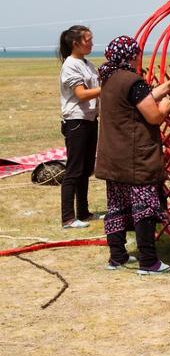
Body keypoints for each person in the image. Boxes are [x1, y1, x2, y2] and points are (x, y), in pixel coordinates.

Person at [95, 36, 170, 274]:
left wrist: (169, 84)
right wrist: (165, 108)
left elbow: (140, 98)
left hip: (113, 156)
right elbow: (153, 115)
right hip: (135, 158)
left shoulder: (110, 78)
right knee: (143, 207)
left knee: (116, 206)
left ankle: (117, 257)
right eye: (138, 54)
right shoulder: (133, 80)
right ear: (132, 56)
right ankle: (149, 262)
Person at [58, 25, 101, 228]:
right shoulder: (70, 65)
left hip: (90, 119)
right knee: (74, 170)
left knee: (85, 169)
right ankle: (68, 217)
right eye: (88, 40)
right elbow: (82, 94)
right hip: (76, 121)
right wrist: (108, 88)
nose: (91, 43)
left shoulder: (87, 64)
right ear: (76, 43)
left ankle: (83, 212)